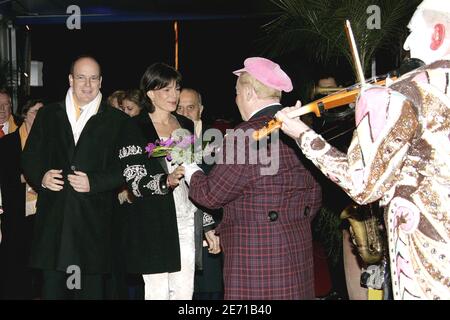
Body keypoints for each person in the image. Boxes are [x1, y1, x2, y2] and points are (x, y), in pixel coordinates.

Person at [275, 0, 450, 300]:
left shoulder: (406, 94)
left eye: (411, 33)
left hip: (428, 269)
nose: (406, 45)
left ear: (437, 34)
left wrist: (303, 134)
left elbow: (362, 184)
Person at [185, 57, 322, 300]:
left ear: (248, 93)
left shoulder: (246, 135)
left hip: (257, 256)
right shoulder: (299, 128)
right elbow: (315, 193)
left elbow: (210, 195)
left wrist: (189, 167)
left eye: (237, 92)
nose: (236, 99)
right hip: (297, 249)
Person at [20, 55, 130, 299]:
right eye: (81, 77)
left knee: (90, 293)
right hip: (54, 227)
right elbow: (30, 157)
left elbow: (127, 167)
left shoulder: (117, 121)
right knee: (52, 291)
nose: (87, 84)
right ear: (70, 79)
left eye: (93, 78)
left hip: (94, 229)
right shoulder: (48, 115)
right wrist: (42, 177)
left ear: (101, 82)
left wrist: (95, 182)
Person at [117, 62, 219, 300]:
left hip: (185, 218)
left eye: (176, 88)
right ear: (150, 92)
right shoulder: (133, 127)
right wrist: (165, 180)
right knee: (158, 293)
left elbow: (195, 175)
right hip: (153, 221)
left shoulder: (185, 125)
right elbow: (133, 180)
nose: (174, 95)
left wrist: (207, 225)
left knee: (184, 292)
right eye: (167, 90)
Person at [176, 88, 224, 300]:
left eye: (191, 107)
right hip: (177, 234)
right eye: (179, 108)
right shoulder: (167, 140)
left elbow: (219, 187)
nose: (185, 113)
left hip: (210, 233)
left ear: (201, 110)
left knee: (208, 292)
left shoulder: (215, 140)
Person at [0, 99, 43, 299]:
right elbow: (6, 178)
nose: (40, 118)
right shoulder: (7, 143)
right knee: (15, 265)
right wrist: (32, 176)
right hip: (16, 212)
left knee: (38, 266)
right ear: (25, 114)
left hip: (42, 213)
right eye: (35, 112)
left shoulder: (49, 141)